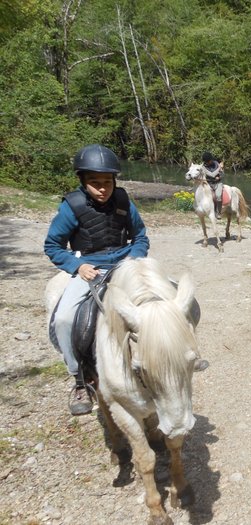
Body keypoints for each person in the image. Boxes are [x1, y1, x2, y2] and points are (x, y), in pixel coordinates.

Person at [44, 144, 150, 415]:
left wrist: (135, 259)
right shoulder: (71, 207)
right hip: (90, 267)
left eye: (107, 182)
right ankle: (80, 380)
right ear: (83, 181)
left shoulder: (124, 201)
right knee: (65, 318)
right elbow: (53, 245)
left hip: (125, 262)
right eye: (94, 183)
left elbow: (140, 236)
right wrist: (77, 266)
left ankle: (173, 357)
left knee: (164, 298)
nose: (102, 188)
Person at [202, 151, 225, 218]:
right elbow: (212, 175)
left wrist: (220, 176)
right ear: (206, 161)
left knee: (218, 196)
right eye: (209, 161)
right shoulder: (203, 167)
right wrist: (219, 168)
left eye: (211, 160)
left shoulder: (216, 163)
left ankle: (219, 213)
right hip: (208, 183)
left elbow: (223, 174)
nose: (211, 161)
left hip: (218, 183)